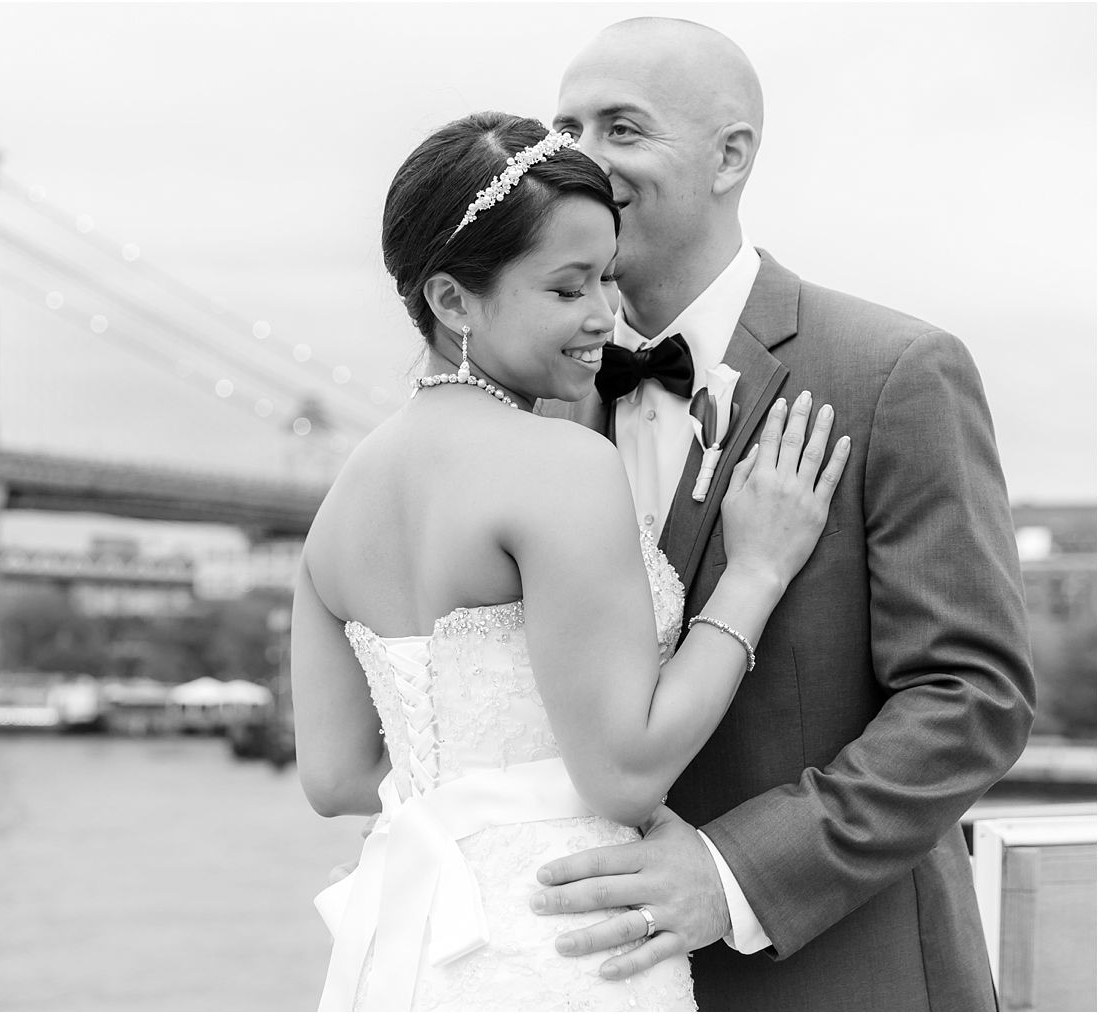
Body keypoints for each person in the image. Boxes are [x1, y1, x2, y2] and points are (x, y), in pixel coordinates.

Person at [291, 110, 850, 1011]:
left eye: (605, 276)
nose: (605, 316)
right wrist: (756, 572)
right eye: (565, 289)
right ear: (451, 301)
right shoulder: (560, 464)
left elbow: (334, 779)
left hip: (419, 952)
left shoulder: (340, 505)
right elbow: (624, 772)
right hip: (577, 944)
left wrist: (484, 804)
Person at [532, 18, 1036, 1011]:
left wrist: (728, 876)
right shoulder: (543, 406)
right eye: (564, 128)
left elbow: (969, 697)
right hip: (591, 977)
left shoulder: (892, 372)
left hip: (838, 976)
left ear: (730, 156)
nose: (579, 161)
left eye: (621, 128)